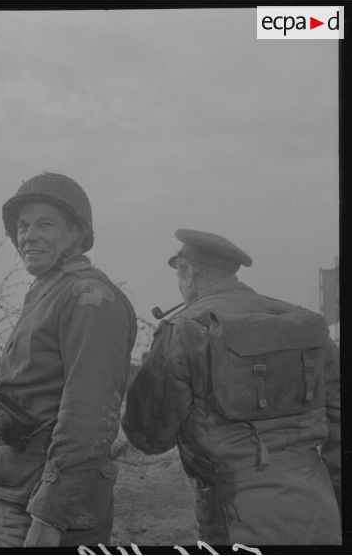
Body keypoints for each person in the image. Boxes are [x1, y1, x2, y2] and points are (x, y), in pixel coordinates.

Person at [122, 229, 341, 545]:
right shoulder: (306, 323)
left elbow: (149, 437)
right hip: (320, 510)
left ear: (188, 271)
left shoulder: (182, 331)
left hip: (234, 517)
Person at [0, 172, 137, 547]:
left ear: (78, 233)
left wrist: (50, 515)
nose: (28, 235)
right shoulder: (49, 289)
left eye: (44, 224)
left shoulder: (88, 298)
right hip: (20, 492)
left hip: (47, 508)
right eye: (22, 226)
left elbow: (88, 416)